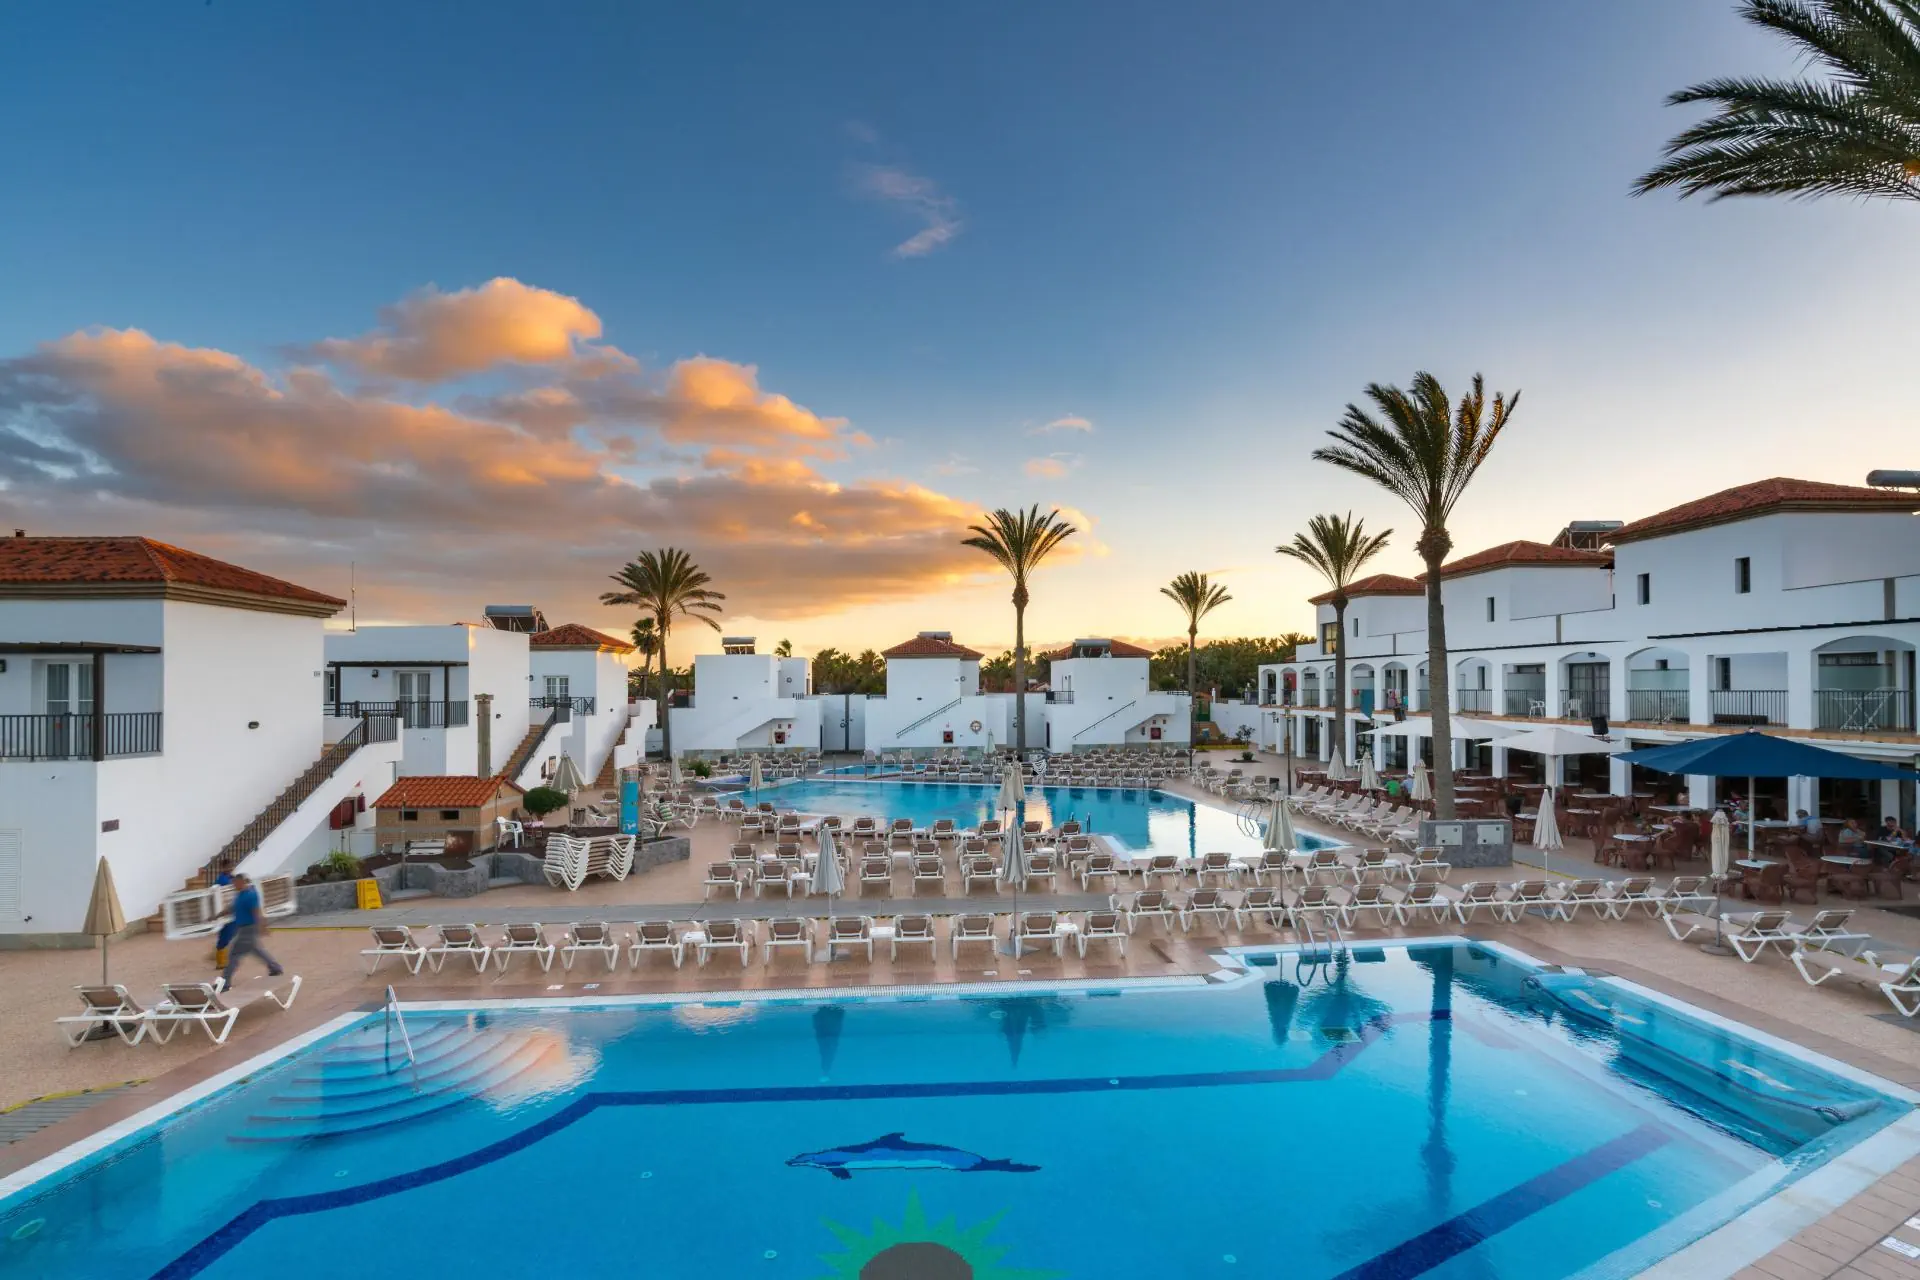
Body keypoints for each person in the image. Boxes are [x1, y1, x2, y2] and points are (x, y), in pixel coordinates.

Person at [220, 873, 285, 988]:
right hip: (243, 928)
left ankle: (225, 983)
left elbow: (257, 911)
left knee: (234, 954)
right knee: (256, 950)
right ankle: (275, 968)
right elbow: (231, 908)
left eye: (235, 883)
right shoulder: (239, 895)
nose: (233, 886)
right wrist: (216, 916)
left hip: (248, 928)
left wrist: (263, 926)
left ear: (241, 882)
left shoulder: (250, 895)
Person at [210, 872, 237, 970]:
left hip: (230, 913)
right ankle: (220, 962)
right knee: (225, 936)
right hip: (224, 913)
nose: (230, 869)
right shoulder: (221, 880)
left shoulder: (230, 878)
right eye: (229, 867)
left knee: (231, 934)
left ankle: (223, 958)